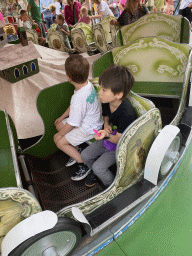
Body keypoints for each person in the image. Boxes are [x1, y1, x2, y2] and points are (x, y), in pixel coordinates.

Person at [79, 65, 137, 187]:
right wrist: (106, 125)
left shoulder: (127, 113)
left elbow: (120, 140)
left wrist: (105, 135)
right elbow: (106, 116)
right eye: (100, 88)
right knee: (84, 155)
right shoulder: (106, 101)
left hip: (119, 146)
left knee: (98, 167)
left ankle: (110, 185)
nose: (99, 92)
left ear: (118, 94)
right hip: (108, 138)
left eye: (104, 90)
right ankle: (96, 173)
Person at [54, 54, 103, 177]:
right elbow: (74, 108)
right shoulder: (87, 85)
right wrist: (61, 117)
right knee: (59, 124)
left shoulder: (78, 98)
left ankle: (84, 162)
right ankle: (76, 151)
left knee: (58, 141)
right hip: (91, 122)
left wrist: (59, 135)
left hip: (89, 129)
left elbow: (73, 123)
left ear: (69, 78)